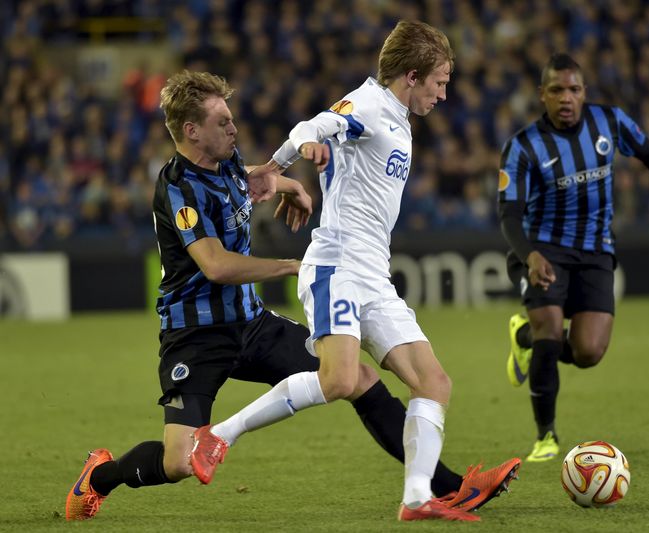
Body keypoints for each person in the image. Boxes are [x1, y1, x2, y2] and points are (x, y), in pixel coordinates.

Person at [65, 70, 518, 521]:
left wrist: (288, 184)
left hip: (253, 325)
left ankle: (448, 488)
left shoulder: (223, 161)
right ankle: (99, 477)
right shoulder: (178, 188)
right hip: (195, 335)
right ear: (191, 131)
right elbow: (217, 266)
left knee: (355, 378)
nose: (233, 128)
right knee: (179, 462)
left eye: (230, 118)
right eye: (221, 121)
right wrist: (292, 265)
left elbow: (242, 180)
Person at [190, 21, 520, 522]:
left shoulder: (398, 119)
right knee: (340, 379)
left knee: (434, 383)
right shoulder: (366, 105)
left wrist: (280, 167)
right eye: (440, 81)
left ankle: (417, 497)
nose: (445, 93)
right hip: (336, 267)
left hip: (373, 277)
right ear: (412, 76)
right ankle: (218, 436)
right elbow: (311, 128)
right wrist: (283, 163)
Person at [498, 53, 649, 463]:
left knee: (589, 352)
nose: (566, 98)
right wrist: (531, 255)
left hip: (596, 249)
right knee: (549, 327)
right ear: (542, 95)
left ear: (584, 93)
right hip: (545, 248)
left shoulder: (609, 122)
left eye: (574, 89)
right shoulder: (522, 147)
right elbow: (508, 214)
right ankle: (546, 436)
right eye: (557, 90)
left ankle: (523, 337)